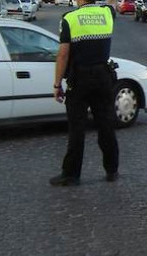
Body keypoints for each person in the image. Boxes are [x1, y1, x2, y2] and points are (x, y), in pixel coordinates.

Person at [50, 0, 119, 186]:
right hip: (103, 76)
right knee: (105, 124)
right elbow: (113, 3)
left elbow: (63, 55)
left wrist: (57, 84)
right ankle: (112, 169)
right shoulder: (106, 13)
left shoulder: (69, 19)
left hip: (79, 78)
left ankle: (71, 174)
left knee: (77, 127)